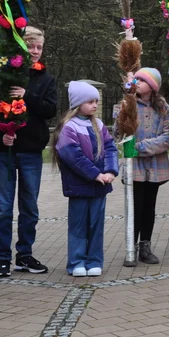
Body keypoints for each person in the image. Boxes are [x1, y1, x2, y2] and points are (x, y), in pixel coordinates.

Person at [0, 25, 57, 278]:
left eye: (39, 47)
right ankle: (2, 257)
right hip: (4, 151)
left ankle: (25, 254)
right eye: (30, 46)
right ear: (20, 47)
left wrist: (27, 95)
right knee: (2, 208)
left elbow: (49, 110)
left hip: (30, 151)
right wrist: (0, 135)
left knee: (29, 206)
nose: (36, 51)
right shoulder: (2, 76)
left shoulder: (46, 79)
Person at [54, 81, 118, 277]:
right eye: (90, 101)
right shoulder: (69, 127)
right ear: (78, 103)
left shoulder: (98, 125)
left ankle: (94, 261)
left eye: (96, 101)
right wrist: (95, 174)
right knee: (78, 226)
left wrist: (110, 171)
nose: (95, 105)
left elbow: (110, 148)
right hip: (79, 187)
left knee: (96, 225)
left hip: (100, 186)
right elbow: (73, 156)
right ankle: (76, 262)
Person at [114, 67, 169, 264]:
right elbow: (118, 132)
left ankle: (145, 247)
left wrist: (143, 147)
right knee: (135, 207)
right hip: (135, 166)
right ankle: (131, 247)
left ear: (153, 86)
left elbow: (168, 135)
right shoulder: (125, 105)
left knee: (149, 207)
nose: (137, 82)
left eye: (143, 80)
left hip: (155, 165)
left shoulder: (164, 108)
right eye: (136, 79)